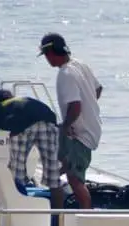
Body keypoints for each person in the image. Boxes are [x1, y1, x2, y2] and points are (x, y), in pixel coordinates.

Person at [39, 33, 103, 209]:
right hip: (91, 128)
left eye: (46, 56)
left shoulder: (65, 74)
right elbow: (98, 89)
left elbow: (75, 106)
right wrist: (89, 108)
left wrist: (66, 126)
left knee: (75, 180)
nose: (47, 60)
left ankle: (86, 215)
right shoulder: (80, 64)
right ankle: (56, 182)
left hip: (80, 134)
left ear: (51, 53)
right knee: (62, 161)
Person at [0, 90, 64, 205]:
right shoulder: (25, 100)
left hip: (21, 126)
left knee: (16, 175)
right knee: (53, 178)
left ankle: (19, 209)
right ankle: (58, 217)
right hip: (49, 122)